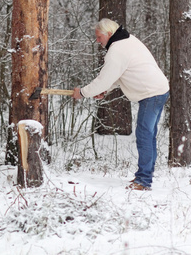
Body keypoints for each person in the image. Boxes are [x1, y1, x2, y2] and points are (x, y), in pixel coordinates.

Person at [72, 18, 169, 191]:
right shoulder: (127, 40)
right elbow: (119, 74)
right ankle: (146, 176)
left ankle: (143, 180)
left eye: (99, 36)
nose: (97, 40)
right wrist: (105, 90)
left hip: (151, 94)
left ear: (108, 34)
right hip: (159, 90)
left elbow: (104, 79)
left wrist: (83, 92)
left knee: (144, 135)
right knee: (149, 135)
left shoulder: (116, 51)